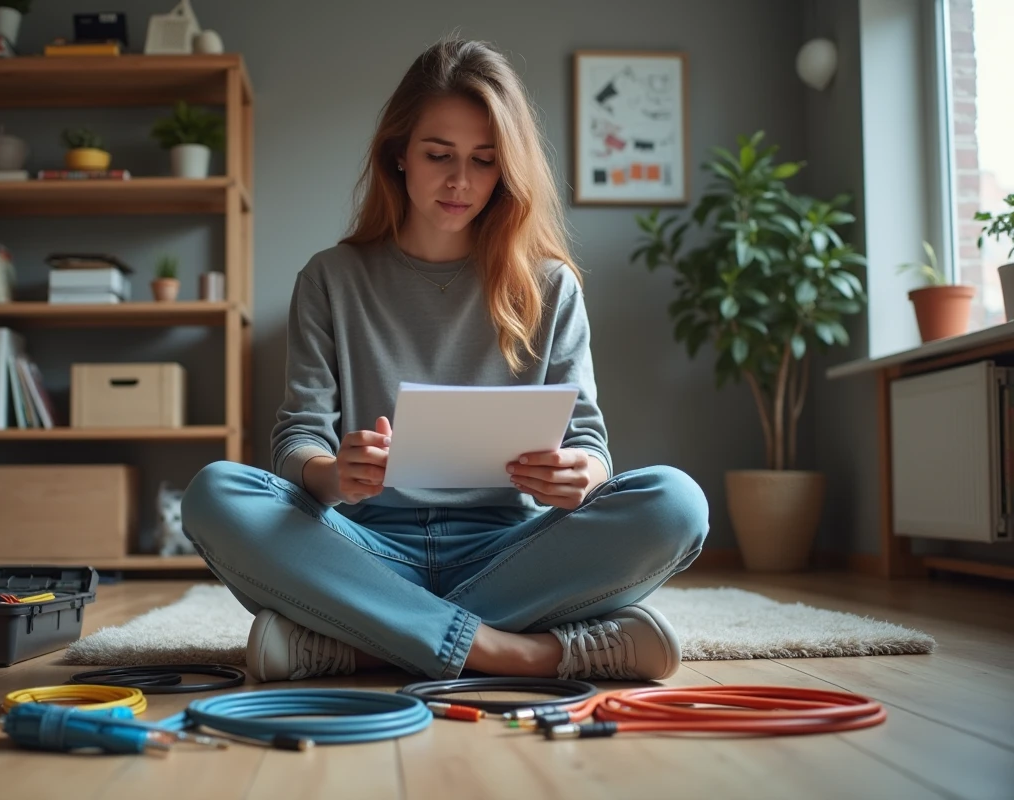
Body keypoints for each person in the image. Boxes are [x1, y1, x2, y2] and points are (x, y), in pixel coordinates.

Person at [182, 37, 709, 684]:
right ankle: (525, 653)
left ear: (507, 170)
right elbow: (298, 442)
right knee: (216, 495)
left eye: (485, 161)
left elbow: (590, 444)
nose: (461, 181)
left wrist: (584, 476)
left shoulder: (550, 286)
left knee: (677, 504)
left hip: (511, 553)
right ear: (398, 154)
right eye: (439, 155)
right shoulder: (330, 279)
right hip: (367, 550)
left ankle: (363, 645)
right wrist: (333, 475)